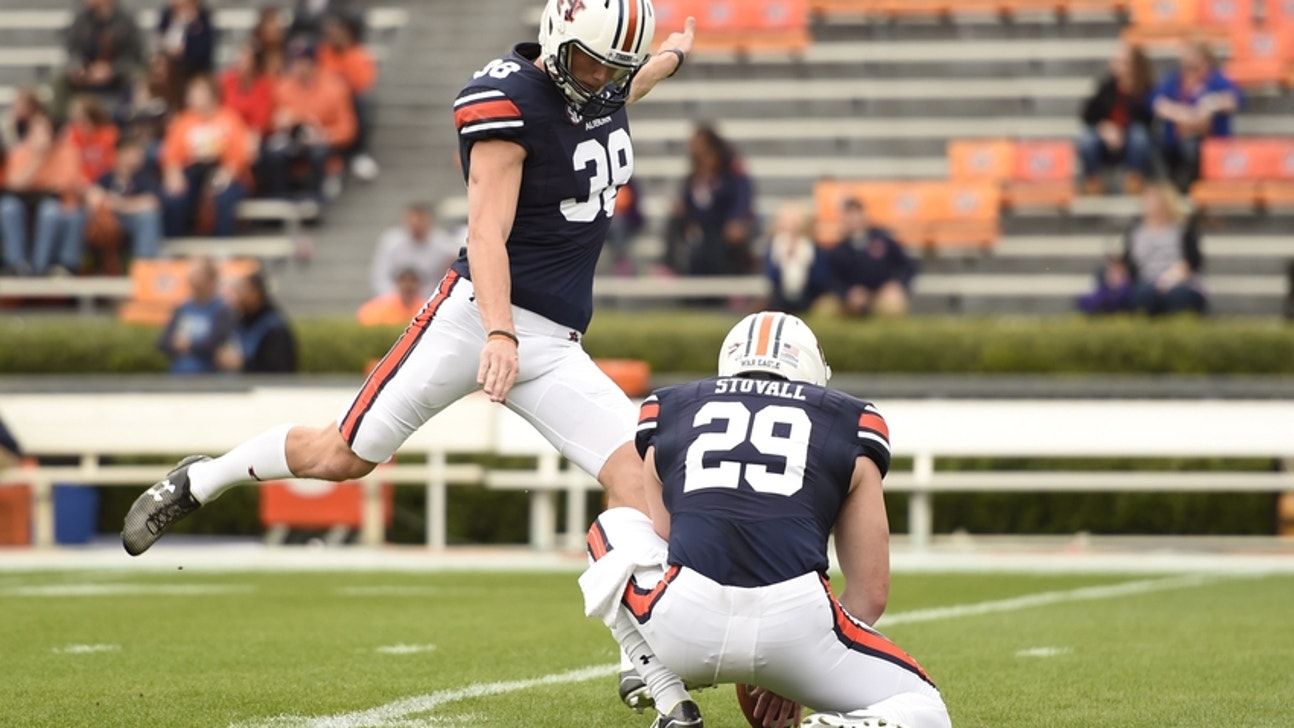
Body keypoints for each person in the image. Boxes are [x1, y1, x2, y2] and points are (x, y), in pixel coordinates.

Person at [122, 0, 696, 605]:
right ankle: (202, 479)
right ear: (557, 42)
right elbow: (486, 235)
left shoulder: (600, 81)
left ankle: (646, 654)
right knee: (342, 454)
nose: (601, 80)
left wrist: (672, 57)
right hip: (477, 318)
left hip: (553, 344)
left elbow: (628, 82)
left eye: (614, 68)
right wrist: (500, 333)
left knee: (639, 476)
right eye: (590, 64)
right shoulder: (513, 105)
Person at [580, 312, 952, 728]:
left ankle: (664, 690)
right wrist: (790, 672)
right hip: (798, 625)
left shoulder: (668, 407)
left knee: (612, 529)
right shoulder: (853, 421)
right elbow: (871, 591)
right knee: (924, 707)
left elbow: (666, 539)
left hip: (684, 626)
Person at [0, 92, 88, 276]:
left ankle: (40, 268)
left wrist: (37, 184)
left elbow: (67, 184)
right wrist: (37, 157)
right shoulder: (19, 152)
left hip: (57, 205)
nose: (38, 134)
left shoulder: (67, 152)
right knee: (7, 207)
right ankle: (19, 265)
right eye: (34, 129)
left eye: (42, 129)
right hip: (25, 205)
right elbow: (13, 184)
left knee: (49, 210)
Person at [264, 40, 356, 203]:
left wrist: (324, 134)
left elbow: (348, 128)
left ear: (312, 63)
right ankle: (279, 201)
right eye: (294, 62)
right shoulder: (283, 86)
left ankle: (316, 201)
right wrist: (281, 123)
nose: (296, 67)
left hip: (321, 142)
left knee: (318, 152)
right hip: (292, 140)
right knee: (273, 153)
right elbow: (272, 122)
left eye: (301, 62)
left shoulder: (334, 87)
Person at [160, 75, 251, 237]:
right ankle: (175, 250)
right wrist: (172, 173)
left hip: (224, 171)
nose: (190, 97)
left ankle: (223, 250)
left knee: (224, 198)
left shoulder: (230, 119)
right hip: (193, 172)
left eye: (195, 92)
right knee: (173, 199)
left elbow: (241, 154)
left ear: (210, 94)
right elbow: (170, 155)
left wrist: (228, 172)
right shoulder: (183, 121)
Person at [1151, 41, 1242, 191]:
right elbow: (1156, 101)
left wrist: (1212, 103)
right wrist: (1182, 114)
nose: (1188, 60)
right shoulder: (1175, 80)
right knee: (1156, 145)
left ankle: (1192, 189)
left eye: (1193, 55)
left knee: (1193, 146)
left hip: (1208, 141)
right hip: (1175, 141)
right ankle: (1173, 188)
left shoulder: (1215, 80)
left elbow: (1235, 98)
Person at [667, 124, 756, 276]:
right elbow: (690, 198)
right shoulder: (694, 173)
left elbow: (742, 195)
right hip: (703, 225)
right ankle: (671, 267)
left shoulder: (731, 169)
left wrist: (735, 219)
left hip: (722, 223)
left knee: (719, 243)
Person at [1078, 43, 1154, 195]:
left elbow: (1147, 119)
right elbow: (1087, 115)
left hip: (1130, 141)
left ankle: (1135, 179)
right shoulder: (1107, 86)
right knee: (1087, 138)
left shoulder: (1144, 88)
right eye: (1115, 61)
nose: (1115, 65)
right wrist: (1105, 128)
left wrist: (1121, 131)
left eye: (1121, 62)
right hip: (1106, 140)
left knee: (1139, 136)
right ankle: (1093, 180)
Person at [827, 198, 916, 318]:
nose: (853, 219)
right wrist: (847, 293)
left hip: (881, 294)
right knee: (826, 308)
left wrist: (897, 284)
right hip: (852, 299)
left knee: (893, 306)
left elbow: (908, 266)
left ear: (864, 215)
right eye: (849, 214)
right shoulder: (839, 250)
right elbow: (832, 278)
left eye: (856, 213)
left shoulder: (883, 240)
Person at [318, 14, 380, 181]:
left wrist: (341, 85)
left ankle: (359, 153)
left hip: (349, 99)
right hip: (327, 100)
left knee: (363, 103)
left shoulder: (358, 55)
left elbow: (363, 83)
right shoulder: (322, 54)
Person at [57, 0, 144, 118]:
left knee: (136, 77)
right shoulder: (82, 20)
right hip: (88, 72)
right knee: (60, 78)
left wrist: (112, 70)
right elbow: (73, 49)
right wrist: (79, 66)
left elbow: (135, 54)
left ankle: (128, 118)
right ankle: (60, 123)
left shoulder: (126, 21)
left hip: (118, 74)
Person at [85, 135, 165, 262]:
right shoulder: (106, 177)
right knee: (77, 215)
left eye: (138, 151)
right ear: (119, 153)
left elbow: (152, 203)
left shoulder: (145, 177)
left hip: (131, 221)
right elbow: (93, 197)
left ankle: (145, 263)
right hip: (107, 223)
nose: (137, 155)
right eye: (131, 151)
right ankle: (70, 263)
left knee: (148, 218)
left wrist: (119, 204)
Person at [157, 258, 236, 374]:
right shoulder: (183, 308)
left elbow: (215, 343)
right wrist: (175, 344)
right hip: (180, 374)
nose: (191, 277)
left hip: (209, 376)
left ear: (210, 277)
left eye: (197, 272)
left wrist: (189, 345)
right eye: (191, 272)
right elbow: (163, 342)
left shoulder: (222, 309)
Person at [369, 202, 457, 298]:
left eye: (421, 221)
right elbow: (380, 276)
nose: (416, 226)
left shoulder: (444, 245)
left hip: (430, 298)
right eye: (413, 222)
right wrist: (395, 299)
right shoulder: (391, 242)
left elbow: (445, 278)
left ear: (430, 221)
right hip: (394, 298)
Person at [217, 271, 298, 373]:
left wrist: (243, 364)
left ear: (256, 294)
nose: (239, 296)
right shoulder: (240, 322)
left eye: (243, 291)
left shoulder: (274, 327)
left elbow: (277, 368)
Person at [763, 202, 828, 314]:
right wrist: (784, 260)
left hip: (808, 297)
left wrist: (802, 264)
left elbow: (820, 277)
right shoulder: (773, 246)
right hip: (780, 299)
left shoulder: (812, 247)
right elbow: (771, 276)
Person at [157, 0, 217, 88]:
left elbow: (204, 48)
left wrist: (185, 49)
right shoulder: (167, 15)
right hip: (169, 70)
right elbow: (159, 37)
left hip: (193, 71)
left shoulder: (202, 18)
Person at [65, 96, 120, 185]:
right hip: (81, 183)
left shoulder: (109, 133)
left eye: (78, 113)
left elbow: (111, 162)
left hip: (104, 181)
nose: (73, 116)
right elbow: (70, 163)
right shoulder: (72, 134)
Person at [357, 268, 425, 326]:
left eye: (412, 281)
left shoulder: (425, 307)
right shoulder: (383, 306)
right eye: (404, 281)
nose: (408, 286)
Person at [252, 4, 289, 77]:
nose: (276, 26)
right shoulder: (253, 63)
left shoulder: (293, 60)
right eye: (271, 21)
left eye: (278, 20)